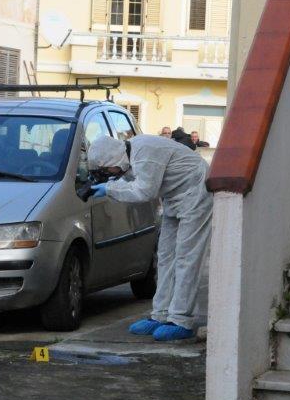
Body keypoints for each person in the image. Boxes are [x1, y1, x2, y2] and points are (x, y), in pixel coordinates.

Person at [87, 135, 212, 341]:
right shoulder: (130, 156)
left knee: (187, 257)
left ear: (112, 159)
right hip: (175, 197)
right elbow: (130, 179)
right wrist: (108, 183)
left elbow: (144, 191)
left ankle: (181, 319)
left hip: (196, 193)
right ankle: (160, 315)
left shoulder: (144, 153)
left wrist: (109, 189)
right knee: (165, 256)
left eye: (108, 169)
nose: (110, 174)